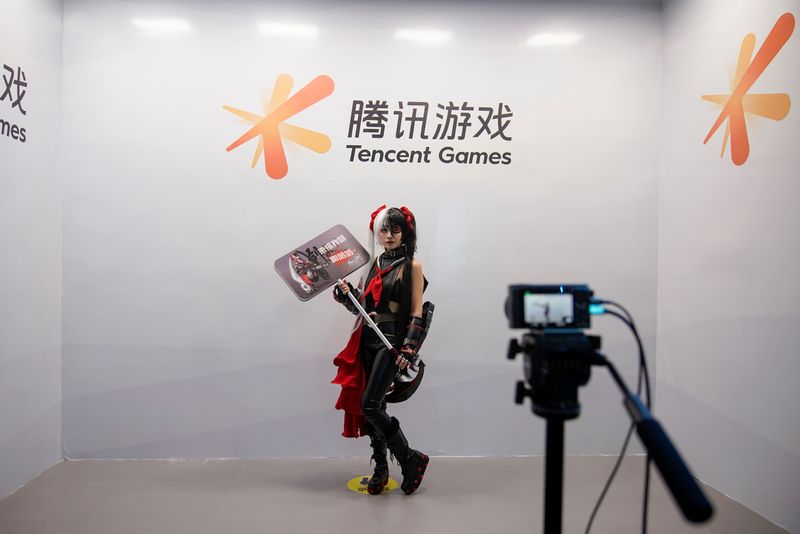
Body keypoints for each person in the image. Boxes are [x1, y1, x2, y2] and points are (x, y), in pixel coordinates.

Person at [331, 205, 430, 495]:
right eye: (384, 229)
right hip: (368, 338)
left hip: (392, 343)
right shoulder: (374, 263)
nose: (388, 235)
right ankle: (381, 469)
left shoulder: (412, 265)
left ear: (405, 232)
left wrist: (408, 350)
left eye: (395, 229)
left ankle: (410, 459)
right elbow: (362, 310)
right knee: (374, 406)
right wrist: (346, 296)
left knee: (370, 405)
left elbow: (416, 312)